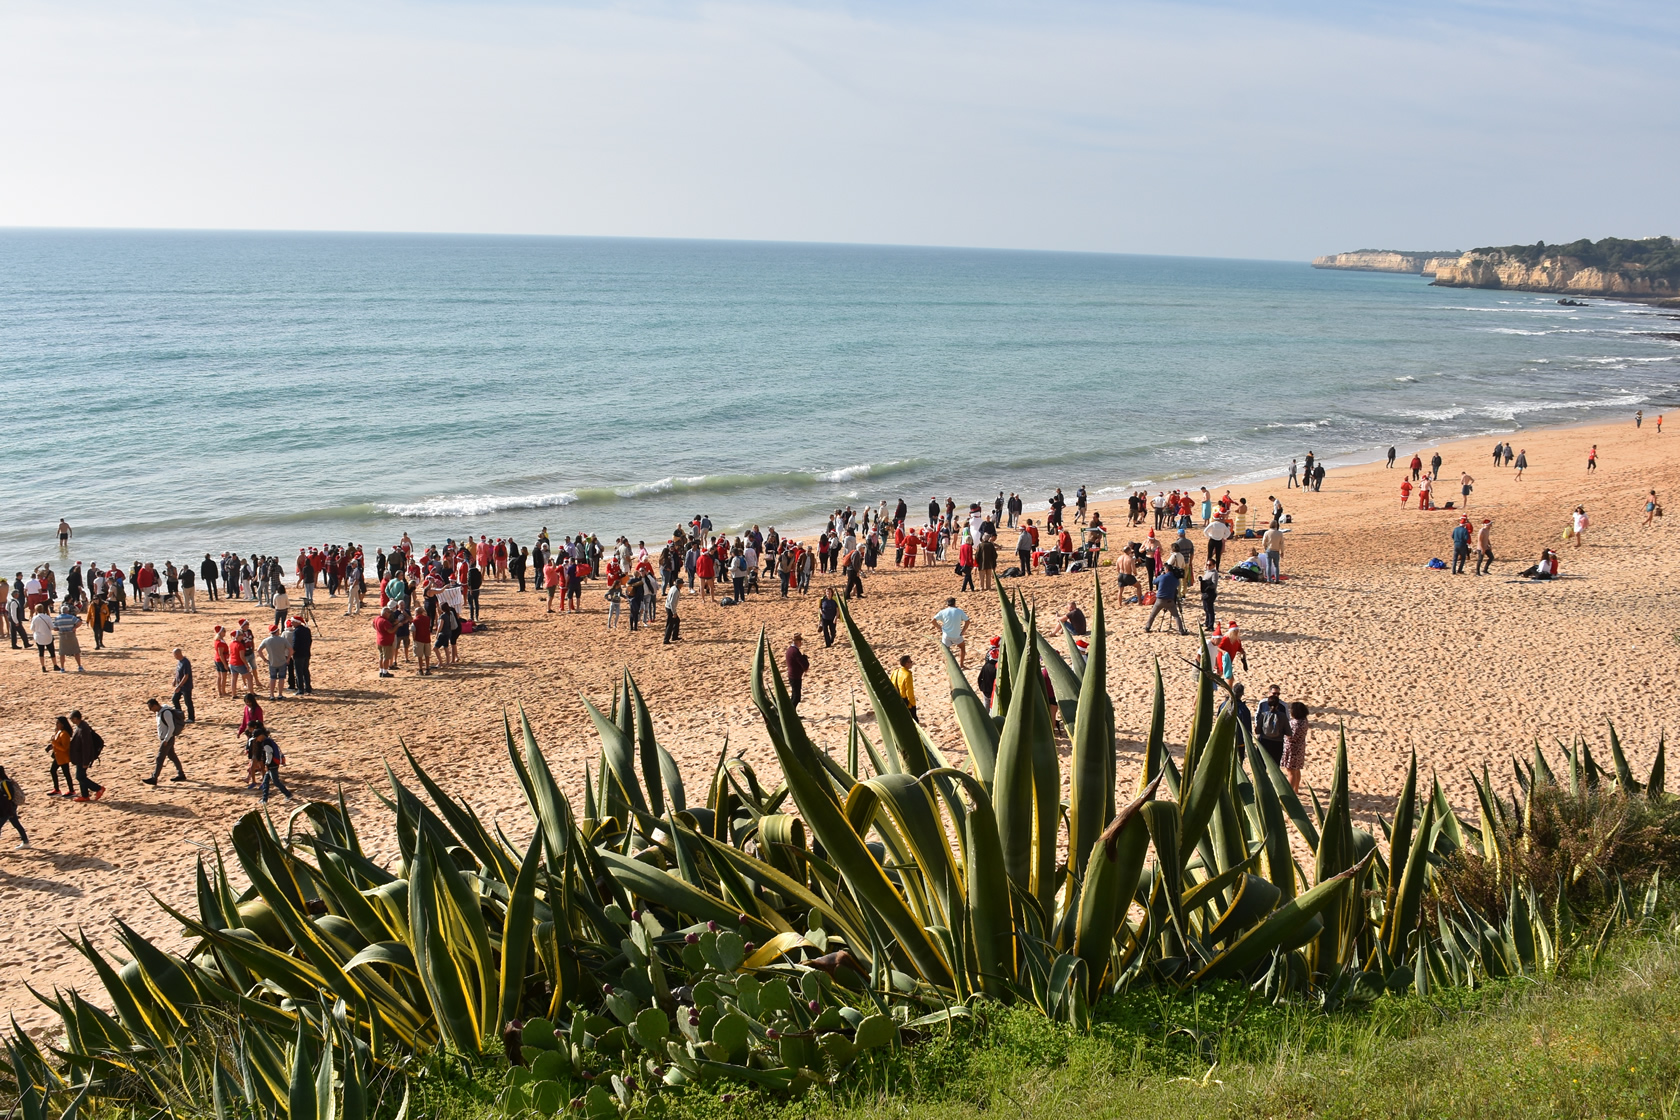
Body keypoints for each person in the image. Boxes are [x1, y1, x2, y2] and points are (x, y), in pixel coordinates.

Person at [142, 698, 188, 785]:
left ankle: (154, 778)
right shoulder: (159, 713)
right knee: (172, 756)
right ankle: (181, 774)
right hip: (165, 739)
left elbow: (171, 727)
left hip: (167, 739)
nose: (150, 710)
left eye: (151, 708)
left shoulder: (166, 713)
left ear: (155, 705)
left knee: (160, 758)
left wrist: (166, 739)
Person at [67, 710, 105, 802]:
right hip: (80, 757)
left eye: (71, 718)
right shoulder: (80, 726)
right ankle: (85, 796)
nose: (71, 720)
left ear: (76, 718)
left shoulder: (83, 728)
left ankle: (98, 788)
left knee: (80, 777)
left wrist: (86, 761)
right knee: (82, 776)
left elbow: (86, 746)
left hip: (83, 758)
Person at [250, 724, 293, 803]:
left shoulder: (266, 742)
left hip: (272, 765)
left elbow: (269, 753)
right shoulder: (268, 740)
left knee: (276, 782)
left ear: (260, 736)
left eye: (256, 738)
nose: (256, 740)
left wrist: (267, 763)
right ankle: (264, 799)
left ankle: (288, 794)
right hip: (273, 764)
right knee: (265, 782)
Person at [1144, 563, 1188, 635]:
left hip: (1160, 600)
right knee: (1176, 616)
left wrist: (1161, 575)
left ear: (1167, 570)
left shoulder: (1162, 577)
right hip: (1170, 600)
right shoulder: (1175, 579)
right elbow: (1177, 585)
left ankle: (1147, 627)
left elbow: (1154, 582)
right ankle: (1181, 630)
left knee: (1153, 614)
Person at [1255, 685, 1288, 766]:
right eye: (1274, 693)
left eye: (1278, 694)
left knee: (1275, 764)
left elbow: (1287, 720)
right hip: (1263, 738)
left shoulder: (1283, 706)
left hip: (1278, 740)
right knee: (1261, 764)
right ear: (1269, 693)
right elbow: (1257, 716)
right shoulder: (1262, 703)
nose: (1276, 695)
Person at [933, 597, 970, 668]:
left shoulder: (943, 611)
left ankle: (949, 666)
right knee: (962, 647)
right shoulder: (959, 611)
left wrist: (940, 628)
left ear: (947, 604)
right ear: (954, 603)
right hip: (957, 635)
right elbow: (967, 621)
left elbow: (933, 621)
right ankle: (961, 665)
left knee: (947, 651)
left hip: (946, 635)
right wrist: (963, 631)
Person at [1283, 701, 1310, 791]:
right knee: (1296, 769)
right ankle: (1296, 789)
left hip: (1292, 749)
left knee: (1291, 771)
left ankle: (1290, 792)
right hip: (1300, 747)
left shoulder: (1295, 723)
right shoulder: (1304, 720)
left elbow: (1291, 737)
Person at [259, 624, 290, 699]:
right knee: (281, 678)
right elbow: (291, 649)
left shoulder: (266, 640)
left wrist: (264, 659)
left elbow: (259, 650)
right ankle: (280, 694)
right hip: (282, 661)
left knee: (272, 678)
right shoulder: (283, 640)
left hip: (272, 662)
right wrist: (288, 658)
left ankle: (272, 695)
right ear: (277, 631)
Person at [53, 601, 85, 672]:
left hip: (62, 635)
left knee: (62, 652)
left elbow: (55, 628)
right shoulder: (71, 617)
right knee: (76, 651)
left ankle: (62, 668)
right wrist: (75, 628)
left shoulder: (57, 618)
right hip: (71, 634)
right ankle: (79, 666)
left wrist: (59, 628)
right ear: (67, 611)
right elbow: (79, 622)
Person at [46, 715, 74, 796]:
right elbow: (57, 743)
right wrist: (51, 746)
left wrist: (54, 743)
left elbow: (64, 748)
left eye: (58, 723)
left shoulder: (65, 734)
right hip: (58, 757)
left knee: (66, 774)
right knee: (53, 771)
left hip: (63, 758)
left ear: (63, 724)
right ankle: (57, 789)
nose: (56, 724)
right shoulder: (59, 732)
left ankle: (71, 791)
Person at [0, 766, 26, 848]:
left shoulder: (4, 783)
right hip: (9, 807)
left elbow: (9, 796)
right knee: (16, 824)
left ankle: (26, 842)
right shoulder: (4, 782)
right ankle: (26, 842)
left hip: (8, 808)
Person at [288, 617, 313, 694]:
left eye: (292, 622)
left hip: (298, 654)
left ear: (297, 622)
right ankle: (308, 688)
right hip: (306, 653)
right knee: (305, 671)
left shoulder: (296, 631)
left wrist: (291, 653)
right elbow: (310, 641)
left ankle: (300, 689)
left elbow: (295, 644)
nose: (291, 623)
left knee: (299, 672)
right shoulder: (307, 630)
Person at [890, 654, 918, 722]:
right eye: (910, 661)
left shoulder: (895, 672)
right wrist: (913, 704)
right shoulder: (907, 675)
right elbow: (909, 692)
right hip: (905, 701)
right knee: (914, 721)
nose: (912, 663)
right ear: (906, 663)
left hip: (896, 700)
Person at [785, 634, 810, 706]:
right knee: (796, 697)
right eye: (800, 641)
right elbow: (804, 665)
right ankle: (791, 712)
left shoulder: (790, 649)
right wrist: (805, 660)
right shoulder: (795, 651)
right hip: (795, 676)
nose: (801, 643)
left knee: (794, 696)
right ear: (797, 642)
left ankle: (791, 711)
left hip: (793, 675)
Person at [170, 647, 195, 721]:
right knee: (175, 699)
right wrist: (175, 680)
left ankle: (191, 718)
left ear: (177, 654)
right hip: (180, 685)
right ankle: (180, 716)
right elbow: (178, 672)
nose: (174, 656)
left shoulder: (185, 662)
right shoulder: (179, 661)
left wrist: (179, 686)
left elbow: (186, 675)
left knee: (188, 702)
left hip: (186, 686)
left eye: (174, 655)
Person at [373, 607, 397, 678]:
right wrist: (397, 626)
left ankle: (381, 671)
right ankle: (385, 672)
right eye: (389, 612)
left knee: (381, 656)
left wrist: (379, 631)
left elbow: (373, 624)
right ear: (385, 613)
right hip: (386, 641)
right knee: (386, 657)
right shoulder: (385, 621)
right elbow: (390, 631)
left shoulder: (377, 618)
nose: (390, 614)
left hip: (379, 640)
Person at [977, 637, 1000, 708]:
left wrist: (982, 687)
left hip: (985, 689)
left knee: (986, 705)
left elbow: (980, 678)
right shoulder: (996, 668)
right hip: (992, 691)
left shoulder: (985, 666)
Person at [1198, 558, 1220, 630]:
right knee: (1206, 608)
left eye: (1210, 565)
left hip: (1210, 593)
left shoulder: (1214, 573)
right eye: (1207, 564)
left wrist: (1207, 585)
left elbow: (1214, 584)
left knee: (1210, 609)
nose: (1208, 566)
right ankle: (1207, 622)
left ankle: (1210, 625)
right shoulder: (1207, 571)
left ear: (1214, 565)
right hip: (1205, 592)